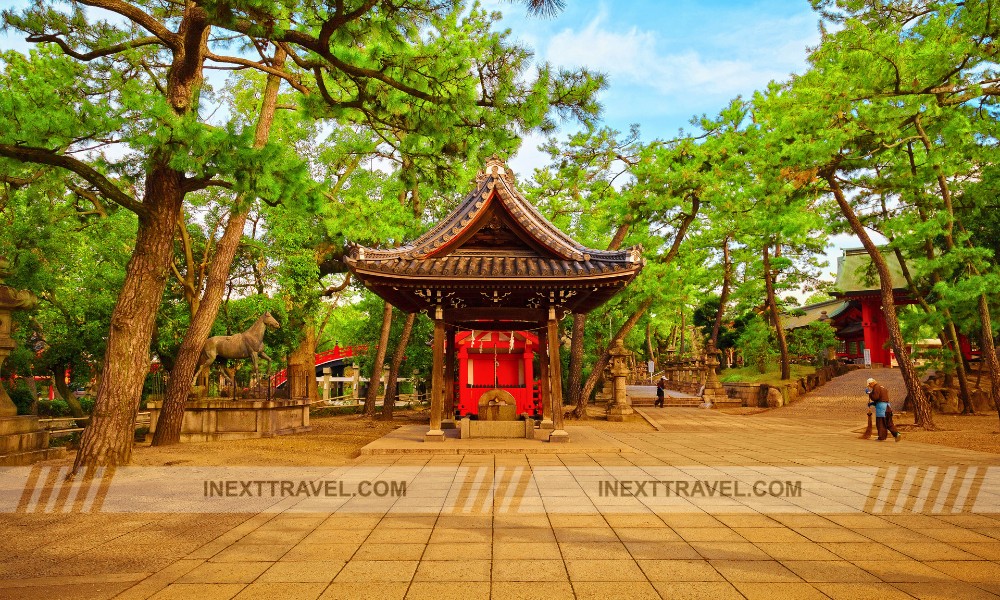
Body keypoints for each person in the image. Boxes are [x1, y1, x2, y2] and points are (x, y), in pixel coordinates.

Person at [866, 377, 901, 442]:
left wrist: (869, 393)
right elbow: (882, 399)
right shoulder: (882, 387)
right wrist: (873, 403)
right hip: (888, 408)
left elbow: (875, 397)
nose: (870, 387)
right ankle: (896, 434)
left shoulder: (876, 387)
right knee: (889, 423)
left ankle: (881, 437)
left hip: (882, 409)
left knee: (880, 423)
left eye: (869, 385)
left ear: (871, 383)